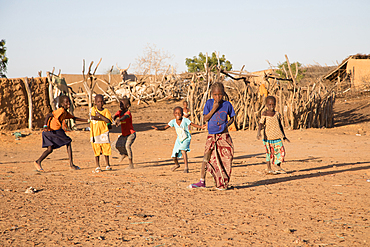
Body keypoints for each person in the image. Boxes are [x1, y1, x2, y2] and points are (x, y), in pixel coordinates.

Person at [188, 82, 235, 190]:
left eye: (219, 94)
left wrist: (226, 125)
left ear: (223, 94)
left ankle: (223, 183)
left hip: (224, 135)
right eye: (215, 94)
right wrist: (214, 108)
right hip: (212, 135)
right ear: (211, 94)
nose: (217, 97)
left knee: (226, 158)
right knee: (207, 156)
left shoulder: (227, 104)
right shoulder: (209, 104)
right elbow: (205, 119)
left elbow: (232, 118)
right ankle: (202, 181)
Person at [34, 95, 88, 172]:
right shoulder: (61, 110)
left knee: (50, 149)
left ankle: (38, 161)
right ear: (62, 104)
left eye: (69, 101)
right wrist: (45, 126)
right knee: (68, 142)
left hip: (53, 131)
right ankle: (71, 165)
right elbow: (49, 115)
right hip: (52, 130)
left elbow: (74, 118)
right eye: (66, 102)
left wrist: (87, 121)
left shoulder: (65, 112)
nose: (68, 103)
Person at [152, 106, 205, 173]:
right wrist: (158, 128)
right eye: (176, 113)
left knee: (183, 150)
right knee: (174, 155)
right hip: (179, 139)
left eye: (180, 113)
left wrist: (201, 127)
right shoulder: (173, 121)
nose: (178, 115)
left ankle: (186, 167)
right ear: (174, 114)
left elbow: (192, 124)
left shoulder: (185, 120)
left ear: (182, 114)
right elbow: (165, 127)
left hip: (186, 138)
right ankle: (177, 165)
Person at [257, 95, 290, 174]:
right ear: (266, 105)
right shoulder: (264, 114)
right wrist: (258, 132)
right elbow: (261, 123)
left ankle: (278, 166)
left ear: (275, 105)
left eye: (273, 105)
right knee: (269, 153)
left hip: (277, 137)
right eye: (269, 105)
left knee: (280, 152)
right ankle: (269, 168)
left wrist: (284, 136)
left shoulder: (277, 114)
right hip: (268, 138)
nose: (271, 106)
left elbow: (280, 125)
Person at [90, 94, 113, 173]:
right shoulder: (93, 109)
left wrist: (99, 116)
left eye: (101, 102)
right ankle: (97, 166)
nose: (100, 103)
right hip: (95, 133)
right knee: (96, 150)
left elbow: (109, 121)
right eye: (98, 102)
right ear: (95, 102)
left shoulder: (106, 111)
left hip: (104, 132)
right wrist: (103, 118)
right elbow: (92, 117)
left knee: (106, 148)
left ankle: (107, 164)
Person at [112, 97, 136, 169]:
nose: (121, 106)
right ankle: (123, 153)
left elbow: (125, 117)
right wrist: (113, 120)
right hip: (124, 135)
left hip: (131, 134)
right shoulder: (119, 112)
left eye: (123, 104)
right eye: (120, 104)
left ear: (128, 106)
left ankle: (131, 164)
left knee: (127, 146)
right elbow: (115, 116)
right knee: (113, 145)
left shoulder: (128, 113)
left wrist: (119, 120)